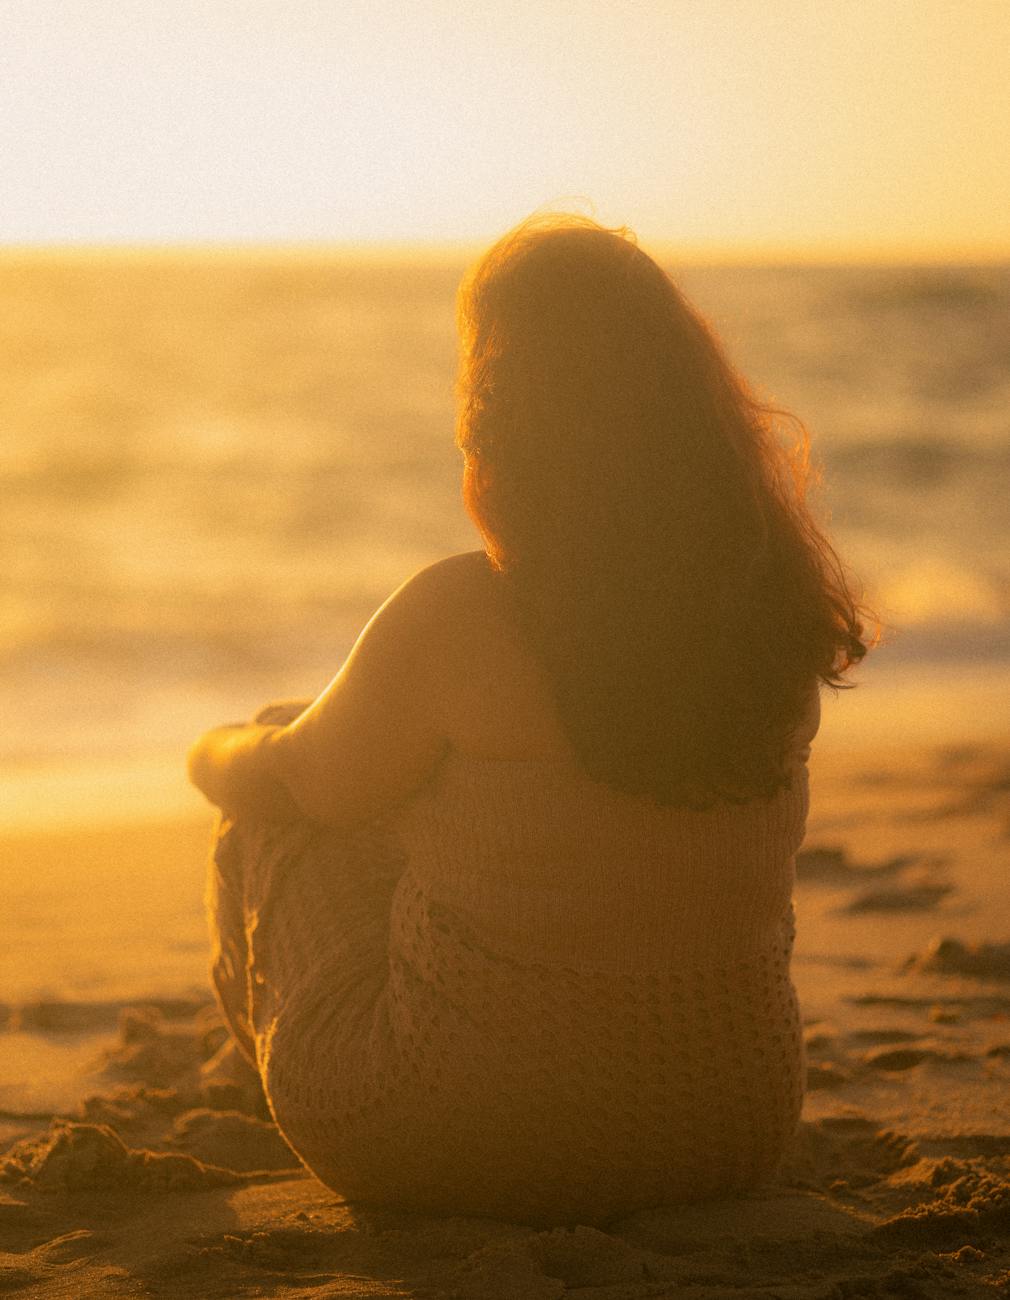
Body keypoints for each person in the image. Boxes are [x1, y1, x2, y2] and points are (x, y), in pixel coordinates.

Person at [188, 214, 868, 1226]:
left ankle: (259, 1065)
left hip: (455, 1135)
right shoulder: (764, 617)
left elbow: (298, 779)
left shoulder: (464, 615)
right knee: (434, 789)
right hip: (728, 1129)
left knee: (278, 805)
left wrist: (219, 749)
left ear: (500, 436)